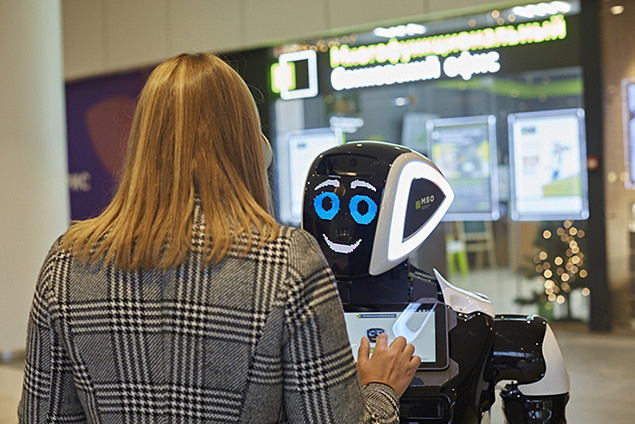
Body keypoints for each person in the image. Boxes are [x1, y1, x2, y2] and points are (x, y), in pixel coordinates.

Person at [18, 52, 420, 423]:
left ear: (141, 144)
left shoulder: (68, 263)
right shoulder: (287, 262)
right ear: (252, 148)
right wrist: (381, 390)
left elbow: (43, 418)